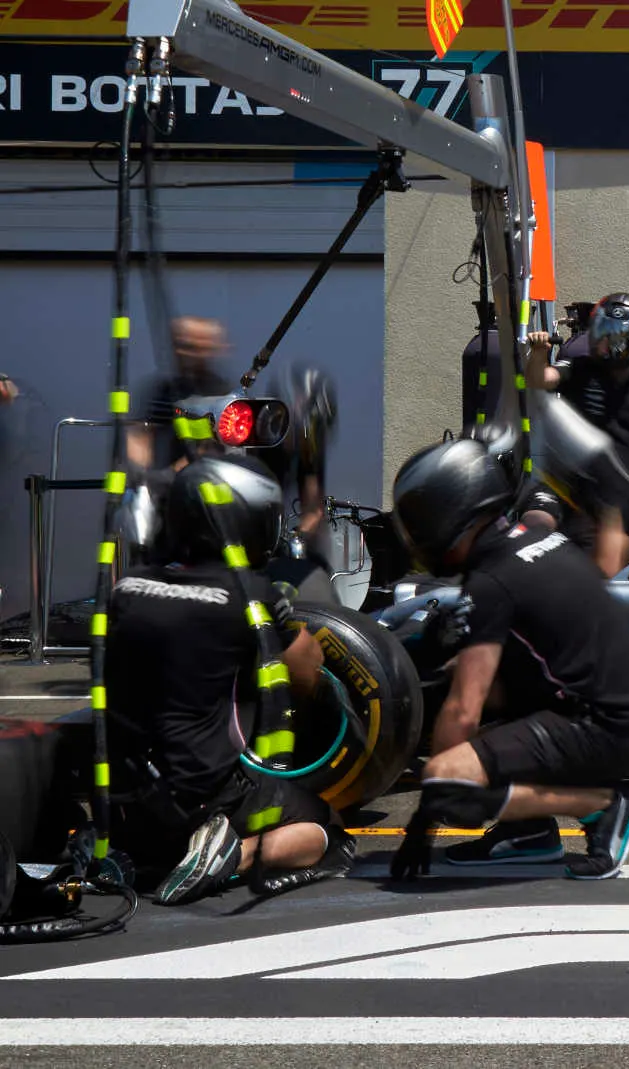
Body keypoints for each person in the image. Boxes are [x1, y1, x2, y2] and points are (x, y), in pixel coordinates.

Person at [388, 434, 629, 881]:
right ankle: (528, 832)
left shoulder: (491, 581)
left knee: (450, 781)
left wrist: (430, 808)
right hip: (625, 708)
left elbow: (464, 709)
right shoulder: (536, 540)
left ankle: (605, 807)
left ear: (446, 515)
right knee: (466, 682)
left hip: (604, 726)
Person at [104, 455, 352, 905]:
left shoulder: (127, 587)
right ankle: (233, 855)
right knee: (328, 830)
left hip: (126, 799)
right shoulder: (249, 596)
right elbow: (308, 671)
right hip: (205, 795)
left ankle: (135, 855)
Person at [524, 292, 629, 574]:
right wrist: (538, 352)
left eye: (612, 335)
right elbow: (540, 379)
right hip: (591, 496)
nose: (602, 342)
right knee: (602, 574)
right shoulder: (579, 368)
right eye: (600, 332)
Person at [258, 365, 340, 601]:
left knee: (316, 567)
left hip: (274, 538)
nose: (303, 444)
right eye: (298, 435)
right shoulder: (256, 443)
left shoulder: (309, 448)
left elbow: (313, 509)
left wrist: (298, 538)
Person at [128, 317, 233, 472]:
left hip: (207, 479)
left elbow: (211, 449)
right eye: (181, 345)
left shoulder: (224, 396)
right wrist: (142, 468)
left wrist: (170, 474)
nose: (184, 353)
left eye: (194, 347)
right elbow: (140, 435)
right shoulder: (162, 391)